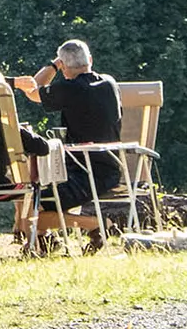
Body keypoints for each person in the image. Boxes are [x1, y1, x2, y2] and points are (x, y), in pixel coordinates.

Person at [13, 39, 124, 248]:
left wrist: (54, 65)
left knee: (30, 204)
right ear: (90, 60)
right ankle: (46, 242)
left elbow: (33, 90)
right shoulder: (110, 83)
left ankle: (95, 224)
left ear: (64, 68)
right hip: (112, 168)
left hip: (85, 174)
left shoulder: (70, 88)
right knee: (37, 197)